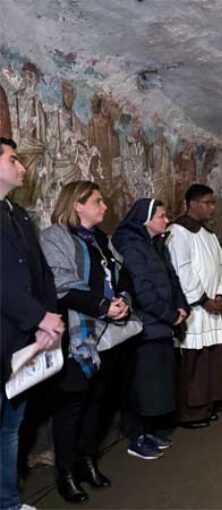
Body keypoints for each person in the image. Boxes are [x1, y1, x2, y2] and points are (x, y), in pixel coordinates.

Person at [40, 181, 131, 503]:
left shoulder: (101, 238)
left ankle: (87, 462)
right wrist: (104, 306)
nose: (104, 206)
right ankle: (65, 474)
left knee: (96, 402)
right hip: (76, 335)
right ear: (77, 205)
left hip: (106, 335)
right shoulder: (55, 237)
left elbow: (120, 275)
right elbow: (62, 281)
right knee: (71, 406)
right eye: (97, 201)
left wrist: (123, 300)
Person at [1, 137, 63, 510]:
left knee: (10, 429)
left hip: (24, 339)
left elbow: (41, 274)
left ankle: (7, 501)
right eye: (13, 159)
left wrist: (48, 318)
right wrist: (38, 316)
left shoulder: (18, 215)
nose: (23, 167)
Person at [112, 199, 190, 459]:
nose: (166, 220)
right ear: (145, 220)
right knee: (141, 387)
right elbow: (142, 290)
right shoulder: (132, 246)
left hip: (162, 324)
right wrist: (169, 315)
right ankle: (136, 437)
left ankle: (148, 432)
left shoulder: (156, 243)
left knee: (155, 386)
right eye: (161, 216)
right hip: (145, 326)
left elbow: (171, 278)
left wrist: (181, 306)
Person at [167, 184, 222, 428]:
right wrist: (204, 300)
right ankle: (190, 412)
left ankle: (208, 404)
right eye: (208, 202)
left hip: (212, 307)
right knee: (192, 363)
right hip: (194, 309)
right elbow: (181, 270)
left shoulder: (210, 236)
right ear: (192, 203)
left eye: (213, 202)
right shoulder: (177, 232)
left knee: (211, 359)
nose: (212, 207)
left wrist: (221, 295)